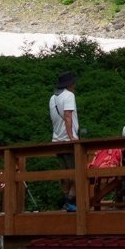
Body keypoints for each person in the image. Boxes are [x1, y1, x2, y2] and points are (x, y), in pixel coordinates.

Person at [49, 71, 79, 211]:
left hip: (56, 140)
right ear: (70, 84)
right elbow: (68, 116)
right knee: (76, 171)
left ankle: (66, 201)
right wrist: (71, 137)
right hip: (68, 140)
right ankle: (71, 200)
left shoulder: (52, 98)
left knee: (64, 173)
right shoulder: (69, 95)